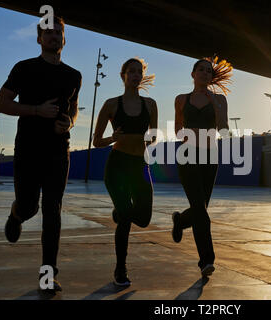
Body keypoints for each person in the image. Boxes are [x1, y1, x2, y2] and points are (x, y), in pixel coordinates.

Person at [0, 16, 82, 293]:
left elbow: (75, 110)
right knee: (30, 205)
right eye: (48, 32)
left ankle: (48, 275)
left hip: (59, 151)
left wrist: (69, 123)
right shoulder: (24, 68)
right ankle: (17, 213)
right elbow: (2, 103)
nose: (54, 36)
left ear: (64, 39)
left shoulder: (74, 75)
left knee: (52, 210)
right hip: (29, 149)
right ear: (39, 38)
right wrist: (35, 110)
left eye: (59, 32)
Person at [93, 58, 158, 287]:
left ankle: (119, 212)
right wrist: (113, 138)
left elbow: (153, 137)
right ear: (123, 75)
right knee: (126, 221)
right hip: (117, 167)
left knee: (143, 218)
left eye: (139, 71)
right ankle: (120, 269)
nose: (136, 75)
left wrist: (145, 140)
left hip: (139, 165)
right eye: (131, 71)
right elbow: (97, 141)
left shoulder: (150, 104)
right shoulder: (111, 104)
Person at [172, 56, 232, 277]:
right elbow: (178, 130)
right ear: (193, 74)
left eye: (209, 71)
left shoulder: (220, 100)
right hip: (187, 155)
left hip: (210, 156)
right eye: (201, 69)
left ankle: (180, 220)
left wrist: (216, 107)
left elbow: (224, 130)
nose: (205, 73)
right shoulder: (181, 99)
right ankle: (206, 260)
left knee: (200, 208)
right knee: (199, 208)